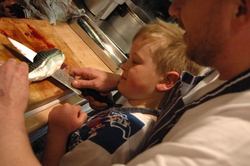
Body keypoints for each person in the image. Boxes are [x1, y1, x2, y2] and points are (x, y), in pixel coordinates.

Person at [1, 0, 250, 166]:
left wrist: (9, 113)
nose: (174, 9)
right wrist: (124, 84)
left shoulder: (224, 147)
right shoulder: (229, 74)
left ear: (240, 8)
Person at [41, 19, 202, 166]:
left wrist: (58, 131)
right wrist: (106, 109)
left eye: (135, 61)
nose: (123, 66)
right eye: (128, 57)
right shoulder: (141, 117)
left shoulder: (111, 141)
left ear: (166, 81)